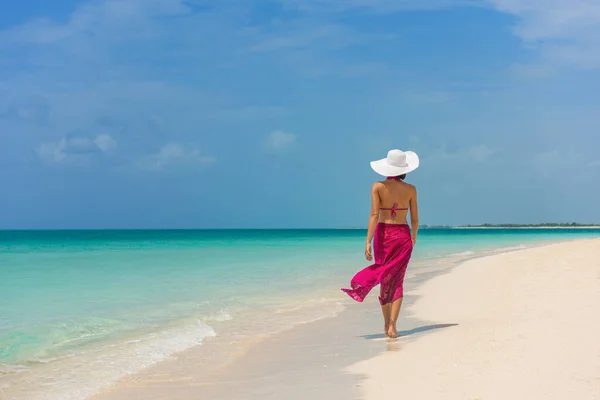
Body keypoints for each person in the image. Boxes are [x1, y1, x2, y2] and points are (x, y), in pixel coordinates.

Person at [341, 149, 419, 338]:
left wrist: (368, 241)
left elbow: (374, 215)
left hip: (383, 236)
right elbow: (415, 219)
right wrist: (413, 237)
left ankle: (386, 324)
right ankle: (393, 325)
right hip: (402, 236)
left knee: (385, 279)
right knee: (397, 280)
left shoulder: (377, 186)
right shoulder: (410, 189)